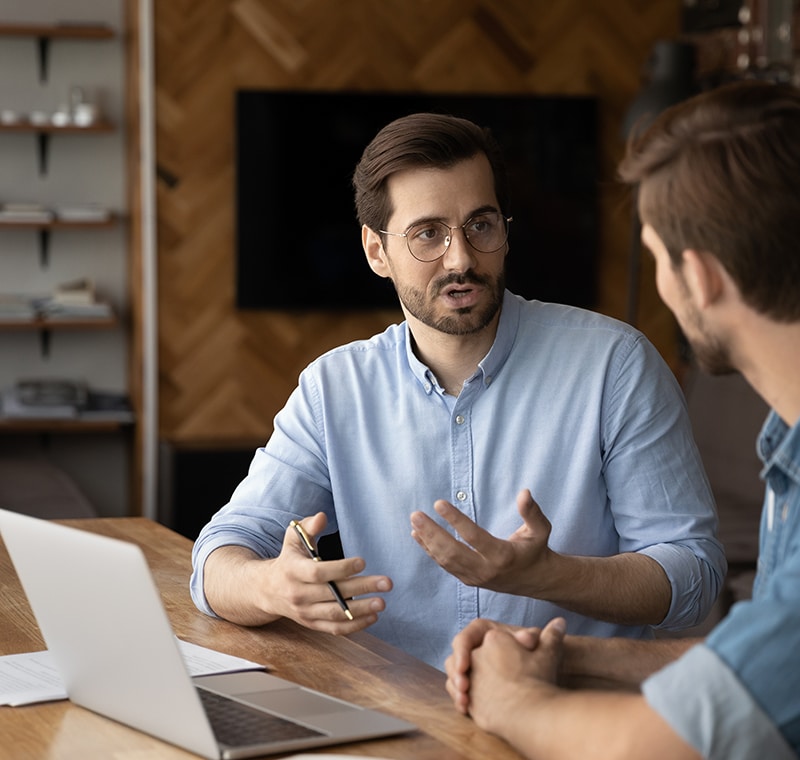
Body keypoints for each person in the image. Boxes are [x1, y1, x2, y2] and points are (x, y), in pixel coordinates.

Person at [444, 81, 800, 758]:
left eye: (657, 258)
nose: (660, 283)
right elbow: (764, 669)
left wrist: (512, 699)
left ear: (704, 276)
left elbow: (666, 748)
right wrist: (563, 658)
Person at [189, 112, 726, 670]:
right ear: (376, 252)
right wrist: (269, 586)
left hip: (565, 712)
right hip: (397, 720)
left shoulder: (615, 365)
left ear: (506, 230)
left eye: (481, 224)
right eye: (428, 234)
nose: (462, 258)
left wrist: (552, 575)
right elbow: (219, 557)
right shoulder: (334, 390)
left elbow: (694, 574)